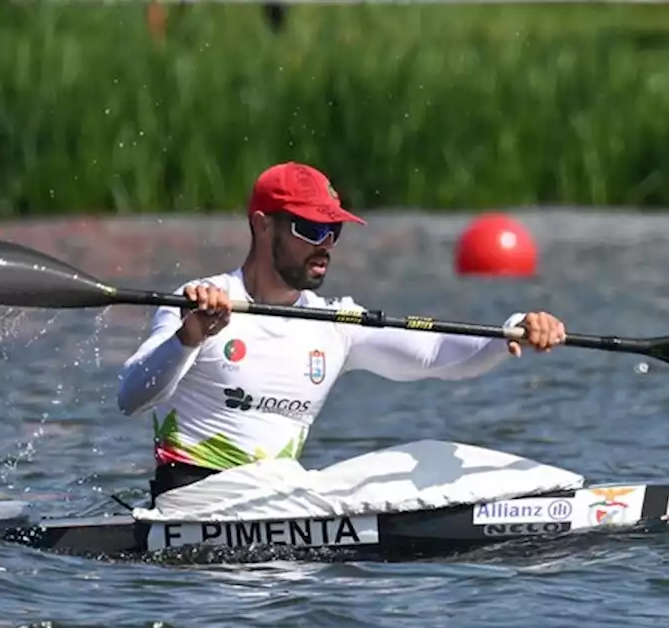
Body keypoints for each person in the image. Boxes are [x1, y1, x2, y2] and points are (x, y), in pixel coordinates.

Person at [116, 162, 567, 501]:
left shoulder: (335, 324)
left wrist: (511, 330)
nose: (326, 245)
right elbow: (131, 396)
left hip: (277, 508)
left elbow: (434, 356)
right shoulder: (200, 299)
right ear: (261, 224)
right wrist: (189, 337)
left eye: (333, 230)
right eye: (310, 229)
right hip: (190, 506)